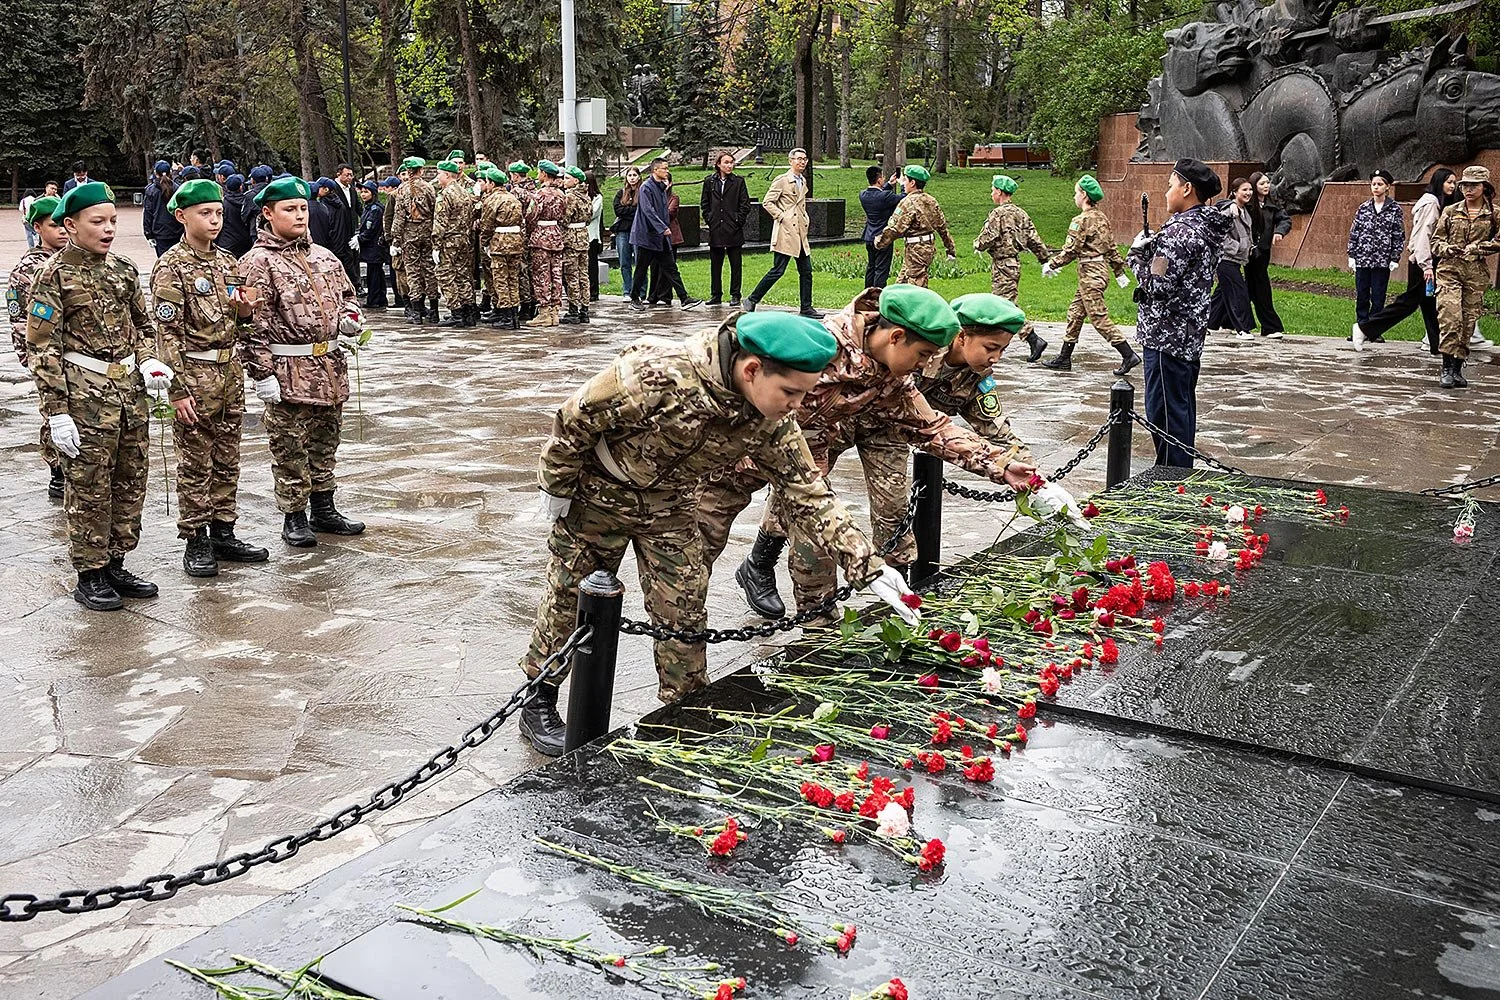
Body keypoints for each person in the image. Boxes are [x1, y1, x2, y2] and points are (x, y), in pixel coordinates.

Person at [518, 311, 919, 755]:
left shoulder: (773, 419)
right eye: (790, 392)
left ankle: (685, 708)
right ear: (751, 370)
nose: (796, 406)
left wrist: (867, 565)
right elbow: (575, 420)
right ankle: (539, 697)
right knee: (571, 597)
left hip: (671, 505)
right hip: (599, 497)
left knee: (684, 605)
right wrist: (555, 486)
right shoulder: (657, 375)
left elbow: (809, 494)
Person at [715, 285, 1038, 620]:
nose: (924, 364)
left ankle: (826, 627)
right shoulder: (821, 351)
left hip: (847, 447)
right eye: (923, 355)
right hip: (750, 456)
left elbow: (933, 426)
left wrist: (1005, 465)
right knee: (696, 554)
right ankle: (759, 566)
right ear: (897, 337)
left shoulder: (901, 375)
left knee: (841, 527)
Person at [26, 181, 175, 610]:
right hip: (84, 397)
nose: (109, 229)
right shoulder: (53, 276)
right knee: (90, 487)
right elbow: (43, 347)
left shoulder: (124, 270)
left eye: (112, 220)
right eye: (98, 222)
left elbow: (144, 328)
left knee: (130, 480)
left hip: (128, 394)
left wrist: (148, 361)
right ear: (70, 225)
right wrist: (57, 411)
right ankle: (89, 572)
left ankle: (115, 560)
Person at [149, 178, 271, 578]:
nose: (215, 220)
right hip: (193, 375)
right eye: (206, 213)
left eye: (218, 212)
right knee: (195, 462)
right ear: (183, 217)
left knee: (227, 458)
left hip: (228, 372)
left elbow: (241, 325)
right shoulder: (171, 267)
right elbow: (166, 336)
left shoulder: (227, 263)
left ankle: (224, 530)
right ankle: (196, 538)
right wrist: (177, 391)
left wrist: (246, 313)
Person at [238, 175, 368, 547]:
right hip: (287, 371)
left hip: (328, 368)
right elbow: (251, 324)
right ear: (268, 213)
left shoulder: (323, 255)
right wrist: (261, 372)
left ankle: (324, 507)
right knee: (290, 447)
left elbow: (347, 294)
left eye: (302, 208)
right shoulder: (258, 263)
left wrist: (350, 317)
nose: (299, 216)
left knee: (326, 442)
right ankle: (294, 515)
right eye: (289, 209)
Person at [1128, 158, 1227, 468]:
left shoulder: (1180, 233)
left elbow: (1156, 283)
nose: (1166, 192)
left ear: (1187, 189)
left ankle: (1172, 480)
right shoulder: (1204, 226)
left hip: (1165, 335)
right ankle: (1178, 471)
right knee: (1180, 410)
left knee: (1165, 414)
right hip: (1186, 334)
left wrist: (1135, 256)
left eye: (1170, 186)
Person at [1039, 175, 1137, 375]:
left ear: (1084, 195)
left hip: (1089, 275)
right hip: (1097, 273)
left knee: (1099, 318)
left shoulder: (1080, 221)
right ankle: (1064, 358)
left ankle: (1128, 354)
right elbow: (1111, 247)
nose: (1074, 196)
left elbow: (1071, 250)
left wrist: (1052, 263)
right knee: (1075, 314)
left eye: (1076, 192)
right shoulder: (1102, 218)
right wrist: (1118, 271)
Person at [1355, 168, 1457, 354]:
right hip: (1422, 263)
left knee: (1429, 304)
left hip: (1422, 261)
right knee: (1408, 303)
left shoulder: (1431, 202)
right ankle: (1365, 328)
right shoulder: (1431, 204)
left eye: (1454, 182)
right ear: (1439, 182)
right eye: (1449, 182)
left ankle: (1438, 346)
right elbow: (1424, 236)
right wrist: (1426, 266)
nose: (1452, 186)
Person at [8, 194, 68, 500]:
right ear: (38, 228)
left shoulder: (69, 260)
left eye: (63, 224)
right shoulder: (30, 268)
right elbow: (21, 320)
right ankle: (57, 472)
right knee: (53, 412)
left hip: (74, 354)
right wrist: (33, 358)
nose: (61, 231)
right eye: (53, 225)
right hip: (48, 354)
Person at [1431, 165, 1499, 389]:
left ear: (1484, 187)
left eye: (1474, 185)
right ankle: (1447, 368)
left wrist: (1479, 247)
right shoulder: (1451, 211)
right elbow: (1435, 241)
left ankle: (1458, 368)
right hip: (1449, 270)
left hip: (1475, 272)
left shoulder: (1494, 214)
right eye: (1465, 185)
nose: (1468, 190)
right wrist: (1447, 248)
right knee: (1450, 318)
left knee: (1468, 322)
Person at [973, 174, 1050, 362]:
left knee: (1005, 306)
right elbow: (1034, 238)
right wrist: (1044, 259)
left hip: (1002, 264)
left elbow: (988, 237)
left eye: (992, 190)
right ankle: (1003, 342)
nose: (991, 193)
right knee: (1004, 304)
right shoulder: (1021, 213)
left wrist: (978, 244)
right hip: (1014, 263)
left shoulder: (998, 214)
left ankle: (1032, 338)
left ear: (999, 192)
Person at [744, 148, 820, 318]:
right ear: (790, 161)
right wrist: (781, 216)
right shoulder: (782, 180)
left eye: (804, 159)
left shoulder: (802, 181)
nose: (802, 162)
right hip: (786, 231)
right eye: (798, 159)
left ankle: (806, 307)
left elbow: (801, 205)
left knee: (806, 271)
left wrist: (805, 219)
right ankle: (751, 299)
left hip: (799, 231)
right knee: (778, 270)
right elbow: (767, 202)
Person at [873, 165, 957, 288]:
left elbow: (895, 228)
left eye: (905, 180)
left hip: (915, 251)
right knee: (901, 285)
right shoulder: (931, 201)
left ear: (912, 183)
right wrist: (950, 249)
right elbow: (942, 228)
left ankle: (922, 307)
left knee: (916, 288)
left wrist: (880, 241)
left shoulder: (908, 202)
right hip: (927, 248)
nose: (903, 183)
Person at [1347, 169, 1405, 327]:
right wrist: (1352, 254)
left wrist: (1394, 257)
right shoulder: (1364, 207)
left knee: (1378, 296)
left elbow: (1398, 235)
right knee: (1362, 295)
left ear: (1387, 187)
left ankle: (1373, 328)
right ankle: (1361, 325)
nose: (1376, 187)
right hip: (1363, 258)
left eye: (1380, 184)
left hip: (1382, 260)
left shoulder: (1394, 209)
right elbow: (1355, 231)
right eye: (1373, 184)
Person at [389, 157, 440, 324]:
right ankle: (434, 309)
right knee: (429, 270)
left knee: (412, 273)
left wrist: (395, 240)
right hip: (427, 232)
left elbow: (398, 217)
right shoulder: (429, 188)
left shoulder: (402, 190)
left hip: (409, 235)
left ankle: (416, 311)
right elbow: (434, 211)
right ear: (421, 170)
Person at [1208, 177, 1256, 339]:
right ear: (1235, 192)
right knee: (1238, 292)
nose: (1248, 193)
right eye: (1244, 190)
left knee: (1221, 296)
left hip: (1235, 260)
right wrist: (1238, 247)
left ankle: (1207, 323)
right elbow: (1218, 234)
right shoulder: (1230, 210)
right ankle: (1242, 328)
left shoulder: (1243, 210)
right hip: (1226, 259)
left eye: (1250, 189)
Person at [525, 160, 570, 327]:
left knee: (541, 275)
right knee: (556, 274)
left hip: (541, 237)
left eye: (539, 172)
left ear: (544, 174)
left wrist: (531, 232)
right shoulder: (561, 194)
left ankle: (544, 311)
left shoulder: (538, 195)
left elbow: (531, 217)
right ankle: (554, 312)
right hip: (557, 236)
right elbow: (564, 215)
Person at [1245, 172, 1290, 340]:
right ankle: (1270, 326)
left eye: (1267, 183)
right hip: (1247, 251)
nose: (1266, 186)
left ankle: (1220, 320)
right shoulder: (1248, 204)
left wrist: (1279, 232)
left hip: (1262, 252)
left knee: (1250, 286)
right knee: (1258, 286)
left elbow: (1284, 220)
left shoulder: (1272, 203)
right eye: (1262, 183)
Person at [701, 151, 750, 305]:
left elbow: (745, 204)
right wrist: (710, 219)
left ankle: (735, 294)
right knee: (715, 264)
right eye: (726, 162)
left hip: (733, 228)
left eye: (731, 162)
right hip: (716, 228)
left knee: (735, 264)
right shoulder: (710, 181)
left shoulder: (738, 182)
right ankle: (716, 294)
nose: (729, 165)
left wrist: (737, 221)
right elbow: (705, 203)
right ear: (718, 164)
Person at [432, 159, 477, 327]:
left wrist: (436, 245)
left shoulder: (445, 195)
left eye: (439, 174)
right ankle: (468, 311)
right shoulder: (464, 192)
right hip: (463, 239)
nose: (437, 178)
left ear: (447, 174)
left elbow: (440, 222)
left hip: (449, 241)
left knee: (445, 275)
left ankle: (456, 312)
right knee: (462, 275)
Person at [481, 165, 526, 329]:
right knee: (513, 279)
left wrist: (484, 243)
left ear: (492, 184)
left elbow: (486, 225)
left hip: (500, 243)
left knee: (500, 279)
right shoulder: (513, 198)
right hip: (515, 241)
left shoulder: (492, 200)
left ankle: (506, 316)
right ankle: (514, 315)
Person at [649, 171, 700, 308]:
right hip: (653, 236)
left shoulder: (673, 197)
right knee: (653, 267)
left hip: (669, 237)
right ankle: (652, 295)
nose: (663, 183)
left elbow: (669, 213)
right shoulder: (650, 195)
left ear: (670, 183)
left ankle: (666, 296)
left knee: (669, 268)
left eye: (666, 180)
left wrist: (653, 213)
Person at [628, 157, 674, 309]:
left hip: (659, 236)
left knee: (671, 267)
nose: (667, 171)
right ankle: (634, 297)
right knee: (641, 268)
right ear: (655, 170)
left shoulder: (660, 187)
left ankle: (684, 297)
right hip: (647, 235)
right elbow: (649, 211)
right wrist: (662, 228)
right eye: (664, 168)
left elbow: (663, 211)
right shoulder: (646, 187)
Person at [860, 166, 904, 288]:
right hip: (883, 237)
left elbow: (878, 195)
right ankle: (878, 296)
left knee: (871, 267)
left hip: (869, 236)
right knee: (881, 269)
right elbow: (903, 197)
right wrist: (903, 184)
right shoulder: (885, 197)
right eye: (882, 177)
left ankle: (867, 295)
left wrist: (889, 184)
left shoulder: (863, 195)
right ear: (879, 180)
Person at [560, 165, 593, 324]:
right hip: (583, 237)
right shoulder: (585, 195)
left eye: (567, 178)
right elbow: (589, 217)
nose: (564, 181)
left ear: (576, 180)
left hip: (571, 239)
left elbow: (565, 218)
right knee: (583, 275)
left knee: (572, 275)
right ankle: (584, 309)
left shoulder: (571, 196)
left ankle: (573, 309)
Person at [356, 181, 388, 309]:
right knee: (375, 272)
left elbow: (370, 229)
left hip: (375, 246)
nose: (363, 194)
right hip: (372, 247)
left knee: (374, 274)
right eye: (362, 192)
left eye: (366, 192)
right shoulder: (369, 207)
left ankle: (374, 299)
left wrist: (360, 238)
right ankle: (379, 298)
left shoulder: (375, 209)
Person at [143, 161, 185, 257]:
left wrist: (148, 234)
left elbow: (148, 213)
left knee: (164, 262)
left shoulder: (151, 191)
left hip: (160, 232)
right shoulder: (177, 189)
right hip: (177, 230)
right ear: (170, 172)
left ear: (155, 173)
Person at [612, 166, 642, 296]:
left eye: (634, 175)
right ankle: (627, 290)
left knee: (640, 262)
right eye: (629, 175)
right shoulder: (621, 193)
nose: (632, 178)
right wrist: (631, 211)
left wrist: (627, 211)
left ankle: (640, 292)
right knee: (624, 262)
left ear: (639, 177)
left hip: (638, 230)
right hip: (623, 231)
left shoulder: (643, 192)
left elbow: (641, 211)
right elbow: (618, 210)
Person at [216, 174, 255, 257]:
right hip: (245, 241)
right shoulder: (247, 201)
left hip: (227, 241)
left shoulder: (223, 203)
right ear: (241, 187)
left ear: (226, 187)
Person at [585, 170, 603, 302]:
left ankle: (594, 291)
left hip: (592, 236)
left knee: (592, 265)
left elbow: (591, 214)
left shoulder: (597, 198)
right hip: (580, 236)